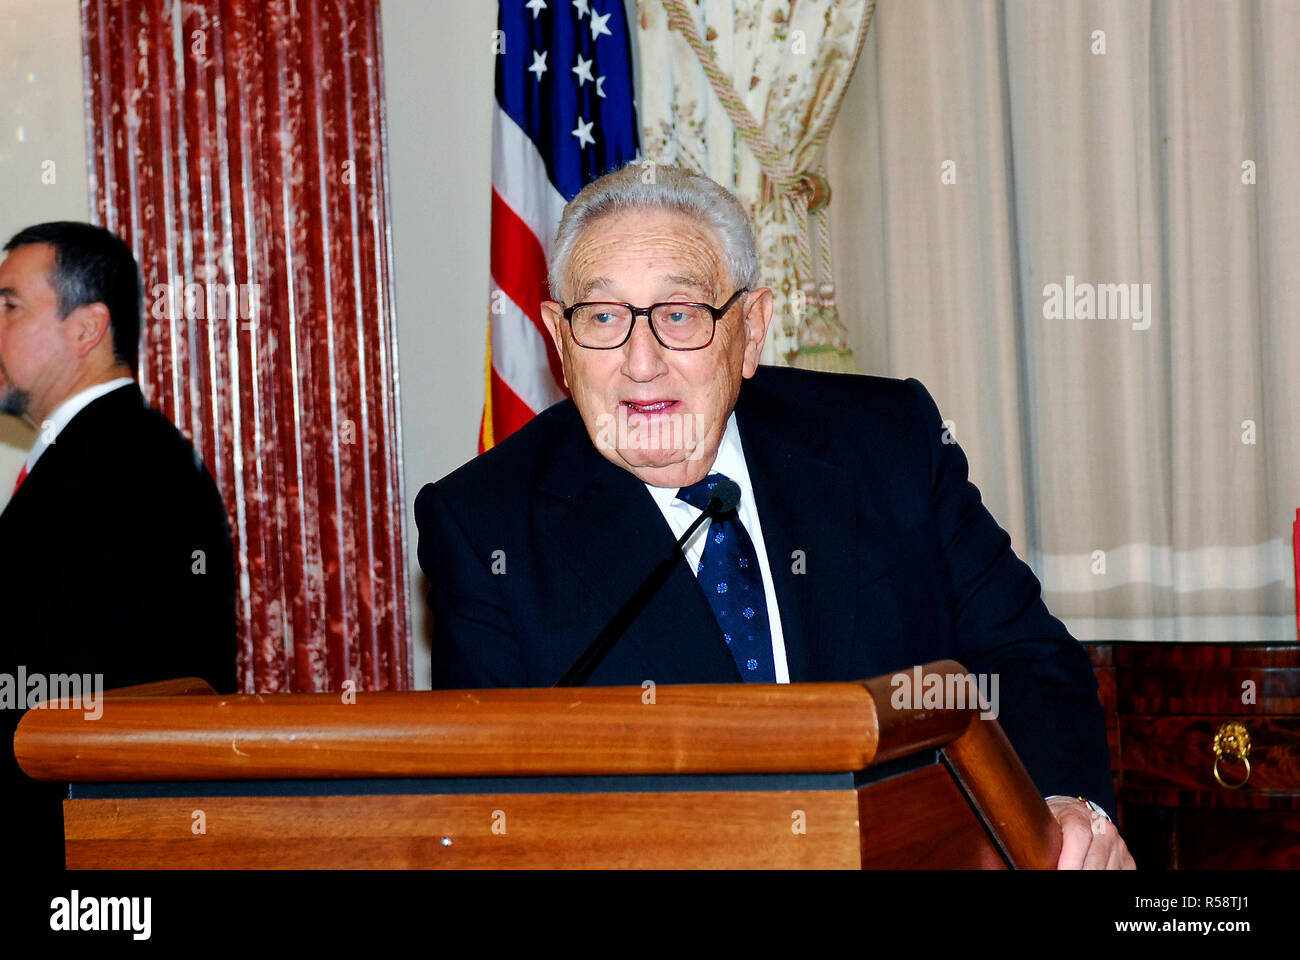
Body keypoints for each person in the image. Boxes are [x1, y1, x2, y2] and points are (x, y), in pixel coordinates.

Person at [416, 164, 1134, 869]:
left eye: (680, 314)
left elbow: (1022, 661)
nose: (641, 362)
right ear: (558, 339)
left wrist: (1060, 806)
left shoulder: (886, 442)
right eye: (602, 317)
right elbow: (494, 811)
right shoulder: (484, 527)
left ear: (751, 329)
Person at [0, 221, 237, 869]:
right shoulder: (104, 452)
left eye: (9, 306)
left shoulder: (119, 466)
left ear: (86, 329)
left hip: (87, 847)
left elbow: (96, 690)